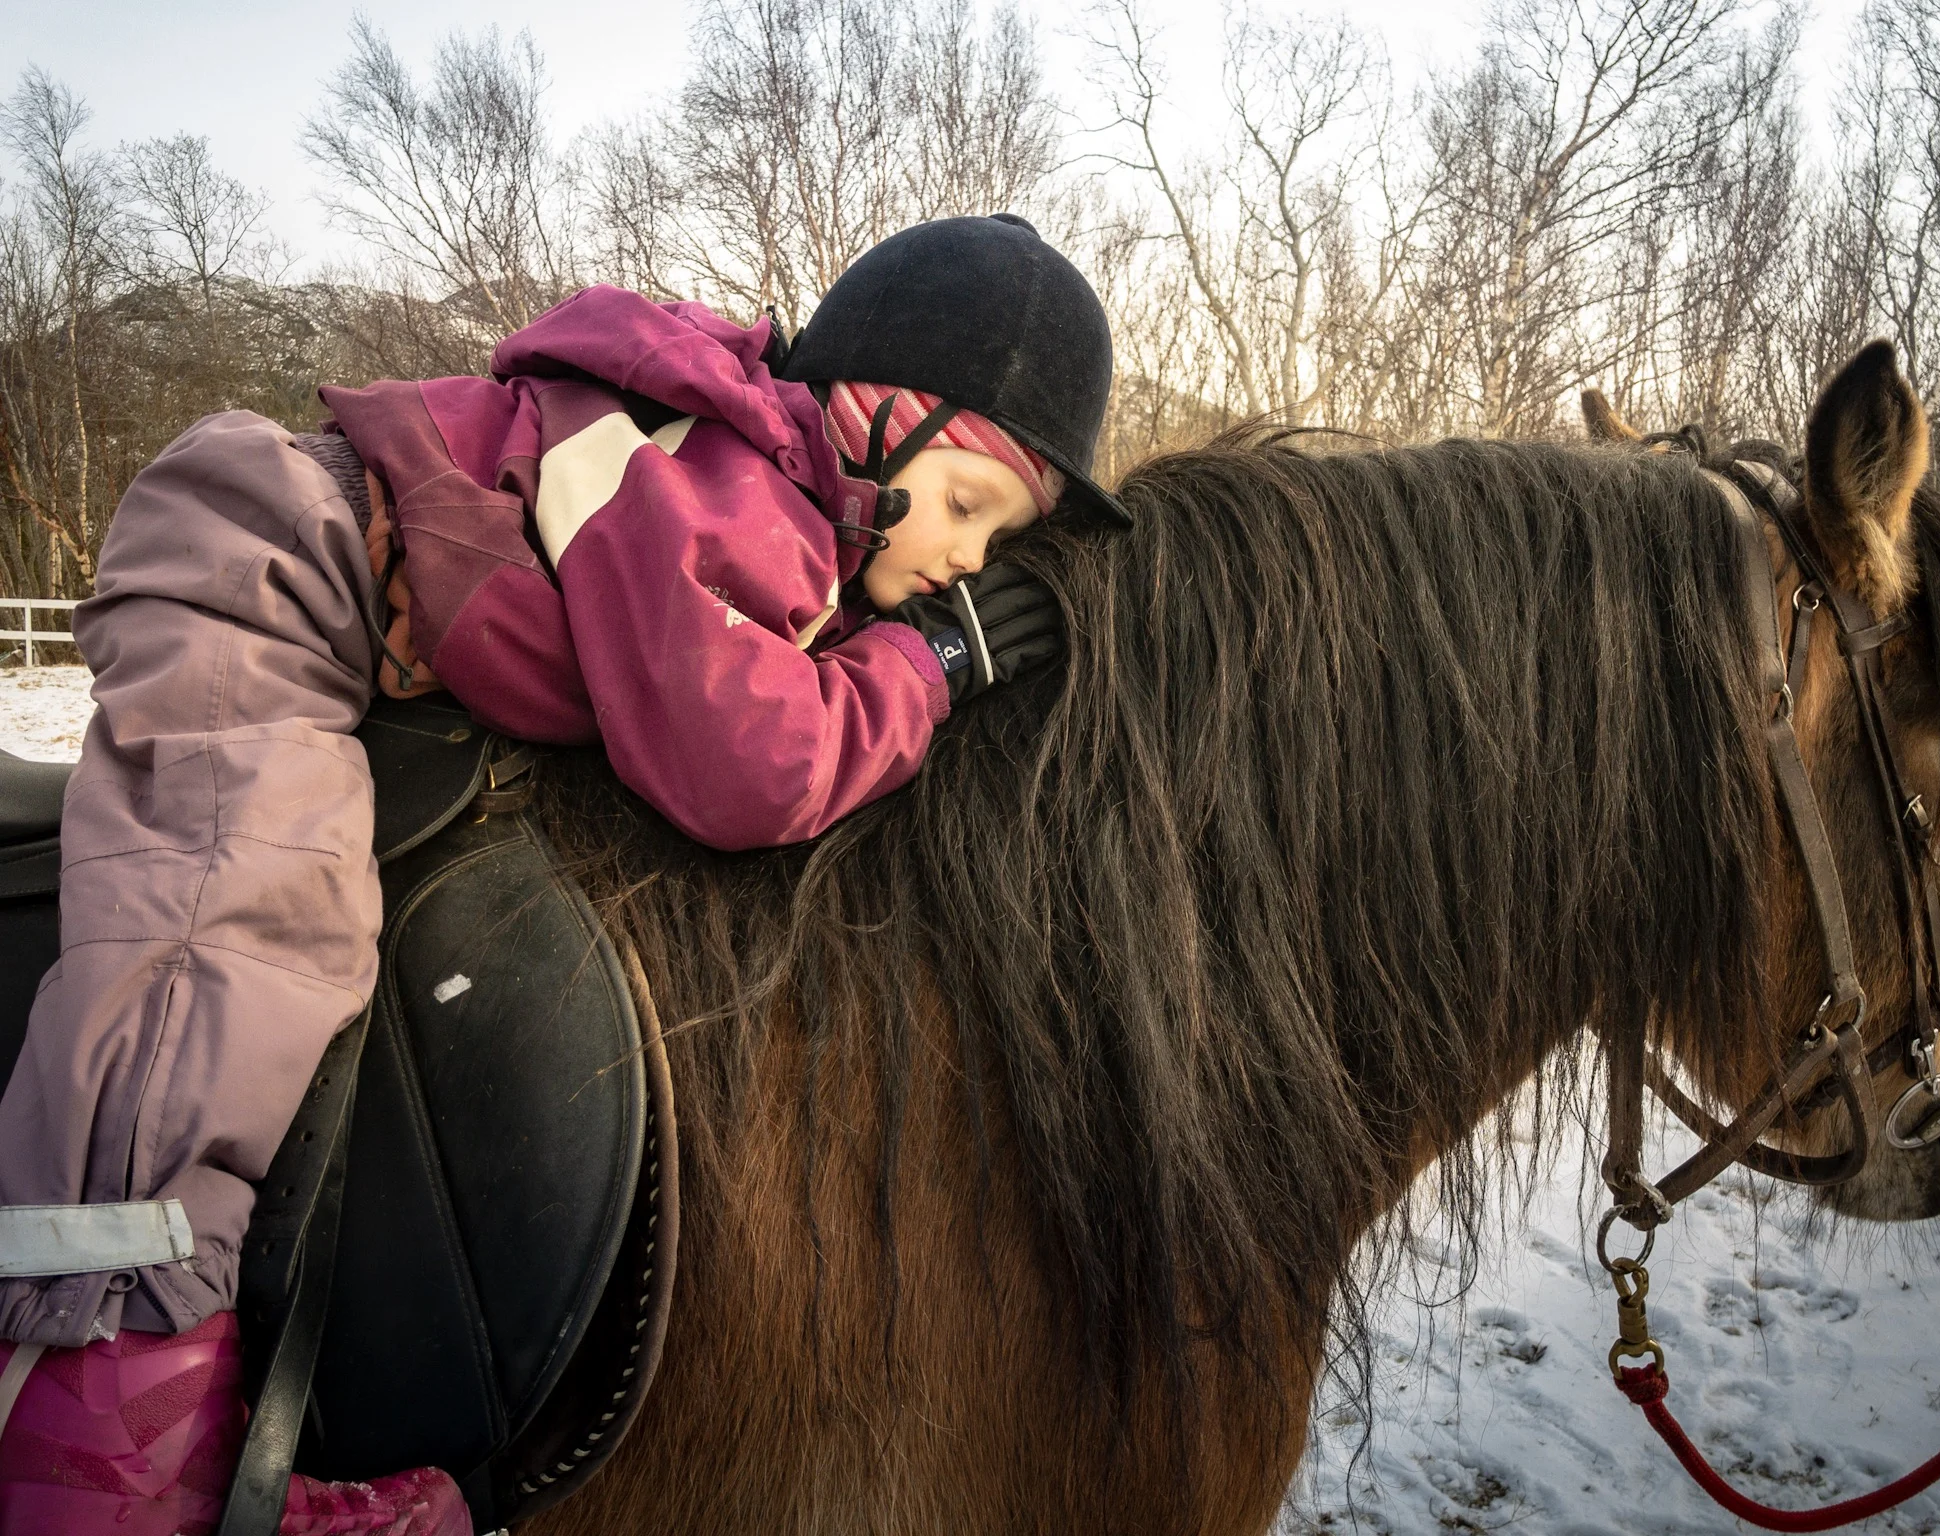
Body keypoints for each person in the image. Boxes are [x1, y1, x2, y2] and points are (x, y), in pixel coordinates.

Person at [0, 214, 1121, 1536]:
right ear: (877, 422)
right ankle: (104, 1423)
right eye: (975, 507)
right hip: (272, 567)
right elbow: (743, 757)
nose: (971, 561)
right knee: (239, 930)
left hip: (336, 586)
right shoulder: (712, 478)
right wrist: (927, 667)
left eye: (1000, 540)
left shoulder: (772, 506)